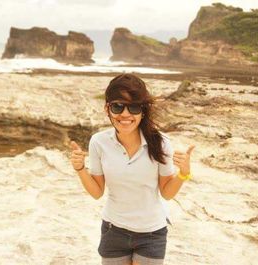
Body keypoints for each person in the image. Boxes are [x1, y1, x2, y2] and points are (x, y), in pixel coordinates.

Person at [69, 73, 194, 265]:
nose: (125, 114)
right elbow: (96, 192)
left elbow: (167, 193)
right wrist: (80, 169)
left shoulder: (161, 143)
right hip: (113, 230)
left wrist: (183, 173)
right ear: (107, 108)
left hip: (151, 233)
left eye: (134, 107)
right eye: (118, 106)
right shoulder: (99, 142)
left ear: (143, 111)